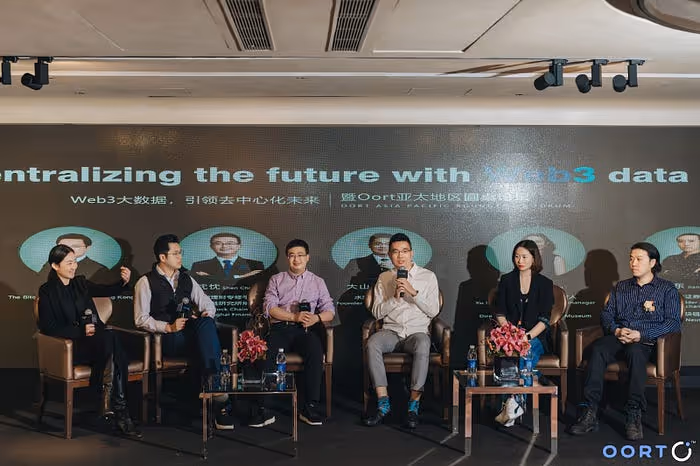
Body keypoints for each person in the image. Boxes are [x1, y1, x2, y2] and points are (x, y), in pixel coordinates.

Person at [569, 242, 681, 441]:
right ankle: (589, 411)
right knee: (598, 349)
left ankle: (633, 413)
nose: (633, 263)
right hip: (620, 336)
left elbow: (672, 323)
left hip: (646, 341)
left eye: (639, 259)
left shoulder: (667, 289)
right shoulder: (621, 287)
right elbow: (607, 315)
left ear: (652, 262)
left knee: (635, 352)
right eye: (631, 259)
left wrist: (641, 334)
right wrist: (617, 329)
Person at [133, 234, 236, 430]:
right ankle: (220, 400)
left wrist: (206, 313)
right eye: (176, 253)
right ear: (162, 257)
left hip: (189, 336)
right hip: (167, 339)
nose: (180, 257)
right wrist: (168, 327)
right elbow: (140, 319)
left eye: (181, 253)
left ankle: (214, 387)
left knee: (206, 322)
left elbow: (207, 304)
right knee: (206, 339)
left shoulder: (186, 279)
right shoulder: (145, 282)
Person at [37, 244, 141, 438]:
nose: (74, 266)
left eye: (75, 262)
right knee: (112, 343)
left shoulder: (80, 283)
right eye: (69, 263)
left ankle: (116, 409)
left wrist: (123, 282)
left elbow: (105, 289)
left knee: (111, 342)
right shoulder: (47, 291)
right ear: (55, 266)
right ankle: (118, 410)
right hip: (72, 347)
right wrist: (80, 331)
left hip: (97, 343)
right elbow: (48, 327)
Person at [363, 233, 440, 429]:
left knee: (423, 343)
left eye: (404, 251)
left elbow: (433, 311)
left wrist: (413, 293)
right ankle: (383, 404)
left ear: (411, 253)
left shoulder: (428, 277)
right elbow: (377, 313)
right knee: (373, 343)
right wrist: (395, 298)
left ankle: (413, 406)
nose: (400, 256)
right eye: (395, 252)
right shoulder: (384, 277)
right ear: (390, 255)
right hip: (392, 331)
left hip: (416, 333)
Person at [263, 239, 335, 426]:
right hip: (281, 328)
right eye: (292, 255)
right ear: (287, 258)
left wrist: (316, 318)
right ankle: (265, 407)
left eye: (300, 255)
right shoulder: (276, 279)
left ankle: (309, 406)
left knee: (315, 349)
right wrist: (294, 316)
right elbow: (270, 308)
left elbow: (330, 310)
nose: (296, 259)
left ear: (307, 257)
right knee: (270, 353)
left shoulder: (317, 282)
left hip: (305, 329)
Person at [493, 240, 554, 426]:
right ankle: (516, 403)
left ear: (534, 258)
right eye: (517, 256)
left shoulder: (544, 283)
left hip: (534, 336)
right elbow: (500, 312)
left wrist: (525, 337)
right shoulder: (507, 280)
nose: (520, 261)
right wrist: (510, 333)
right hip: (509, 335)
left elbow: (545, 319)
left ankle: (511, 404)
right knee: (512, 353)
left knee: (525, 351)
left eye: (524, 257)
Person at [190, 233, 264, 283]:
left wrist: (210, 277)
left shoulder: (255, 265)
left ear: (239, 246)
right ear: (211, 246)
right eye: (218, 243)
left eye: (230, 243)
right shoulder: (199, 265)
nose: (224, 246)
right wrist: (243, 276)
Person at [38, 233, 110, 283]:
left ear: (87, 248)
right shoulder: (49, 265)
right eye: (63, 246)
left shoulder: (98, 268)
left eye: (75, 246)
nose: (68, 249)